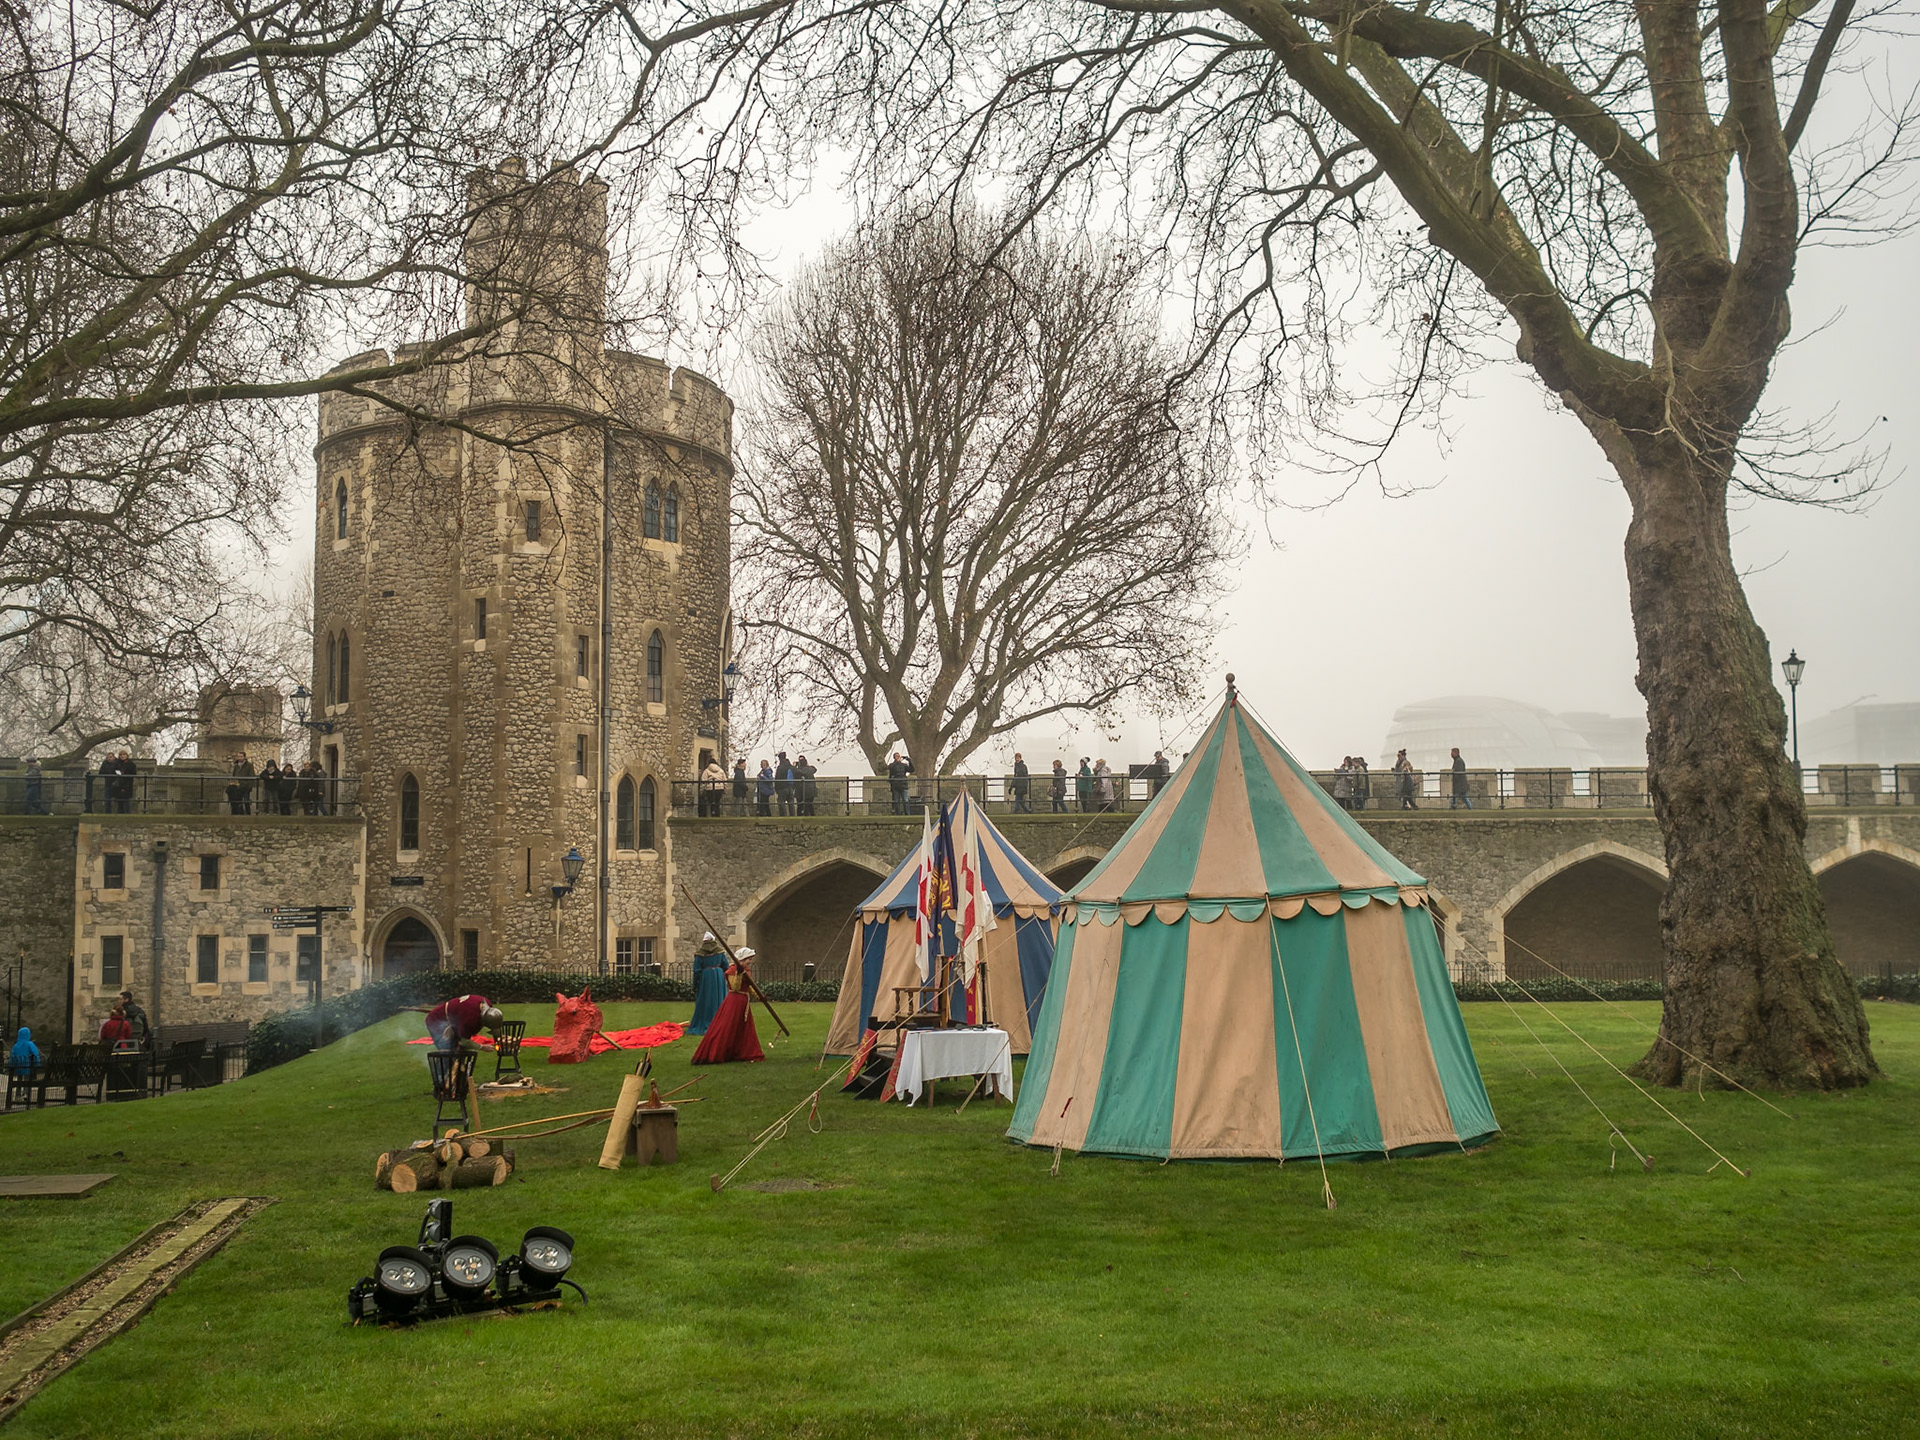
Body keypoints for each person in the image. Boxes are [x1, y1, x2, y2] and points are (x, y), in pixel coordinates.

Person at [691, 947, 766, 1064]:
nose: (750, 961)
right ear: (742, 959)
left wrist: (759, 996)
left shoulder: (745, 970)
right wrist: (739, 974)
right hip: (734, 1002)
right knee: (728, 1027)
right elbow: (735, 987)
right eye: (748, 959)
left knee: (743, 1028)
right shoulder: (733, 970)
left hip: (743, 1002)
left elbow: (750, 986)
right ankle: (716, 1052)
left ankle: (742, 1052)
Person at [424, 994, 503, 1051]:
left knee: (460, 1052)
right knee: (447, 1051)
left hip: (455, 1022)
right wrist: (482, 1047)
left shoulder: (487, 1004)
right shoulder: (471, 1019)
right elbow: (464, 1041)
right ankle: (443, 1074)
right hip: (437, 1020)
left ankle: (461, 1073)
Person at [688, 933, 729, 1035]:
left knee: (705, 1000)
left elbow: (697, 971)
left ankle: (706, 1022)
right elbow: (726, 966)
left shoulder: (700, 954)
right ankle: (721, 1023)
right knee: (719, 999)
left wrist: (695, 985)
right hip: (719, 976)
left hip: (706, 978)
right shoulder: (720, 952)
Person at [774, 751, 796, 816]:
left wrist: (776, 788)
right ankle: (793, 817)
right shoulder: (790, 766)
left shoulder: (780, 767)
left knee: (781, 802)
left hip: (782, 788)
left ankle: (784, 817)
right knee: (791, 802)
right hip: (790, 787)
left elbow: (777, 778)